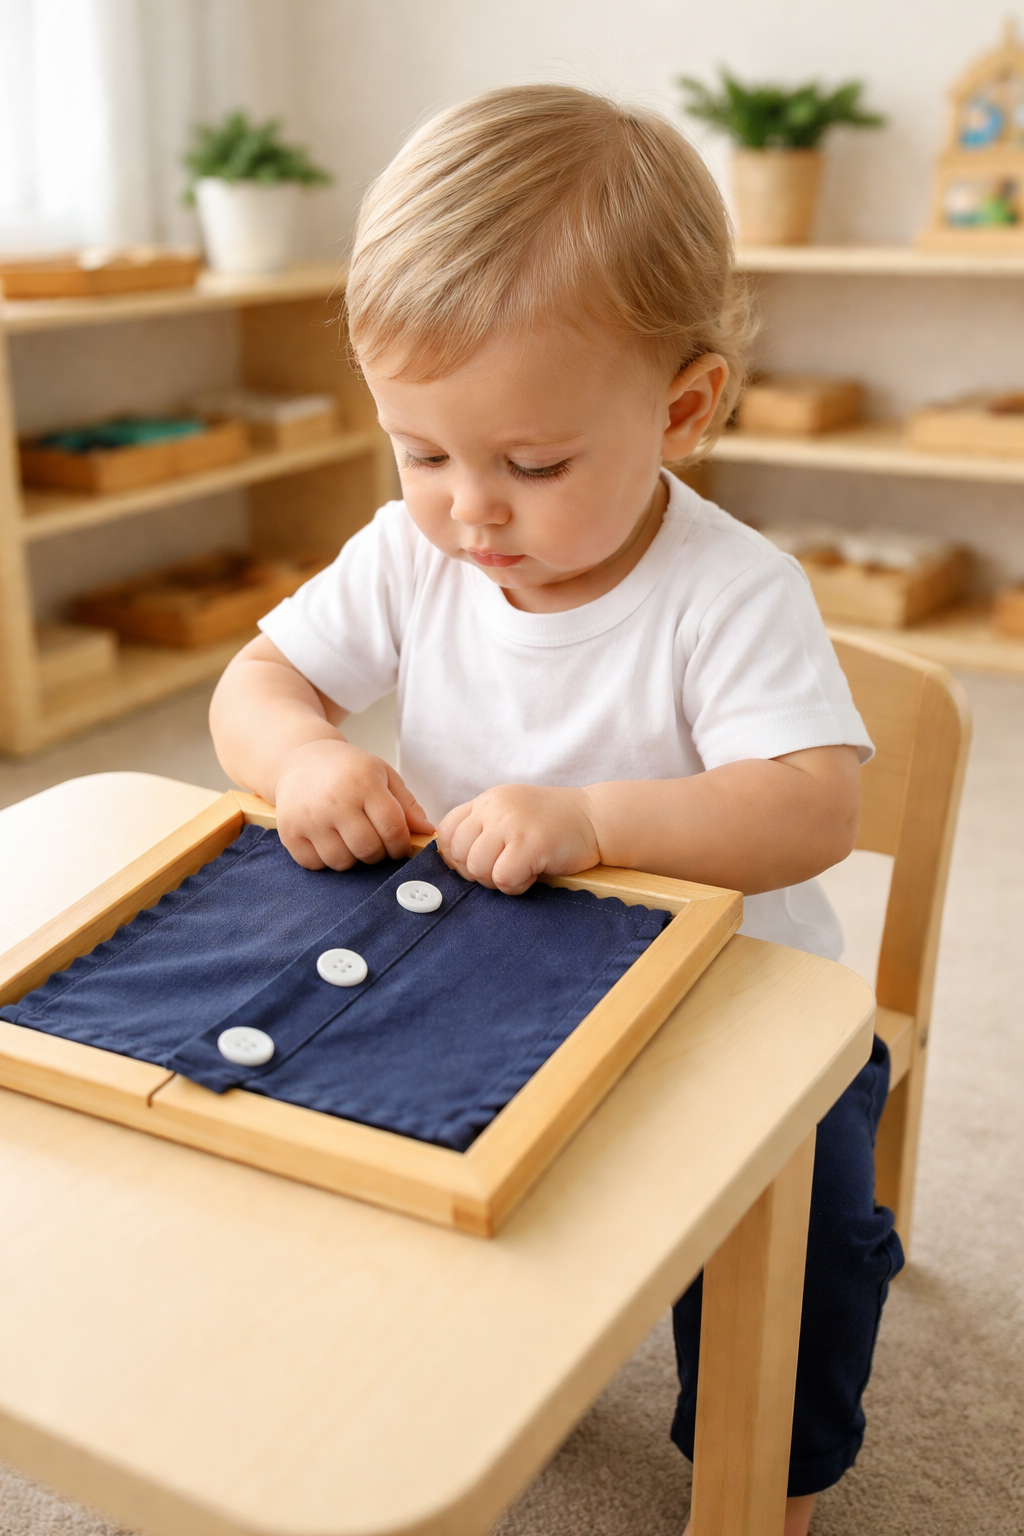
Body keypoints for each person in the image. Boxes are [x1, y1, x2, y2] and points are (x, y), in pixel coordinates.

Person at [209, 84, 903, 1535]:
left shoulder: (731, 593)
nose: (471, 511)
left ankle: (772, 1475)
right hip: (500, 976)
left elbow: (811, 810)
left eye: (529, 464)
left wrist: (591, 822)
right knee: (341, 1148)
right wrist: (305, 764)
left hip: (738, 1004)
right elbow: (257, 682)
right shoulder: (416, 552)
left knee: (817, 1232)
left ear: (684, 409)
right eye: (421, 449)